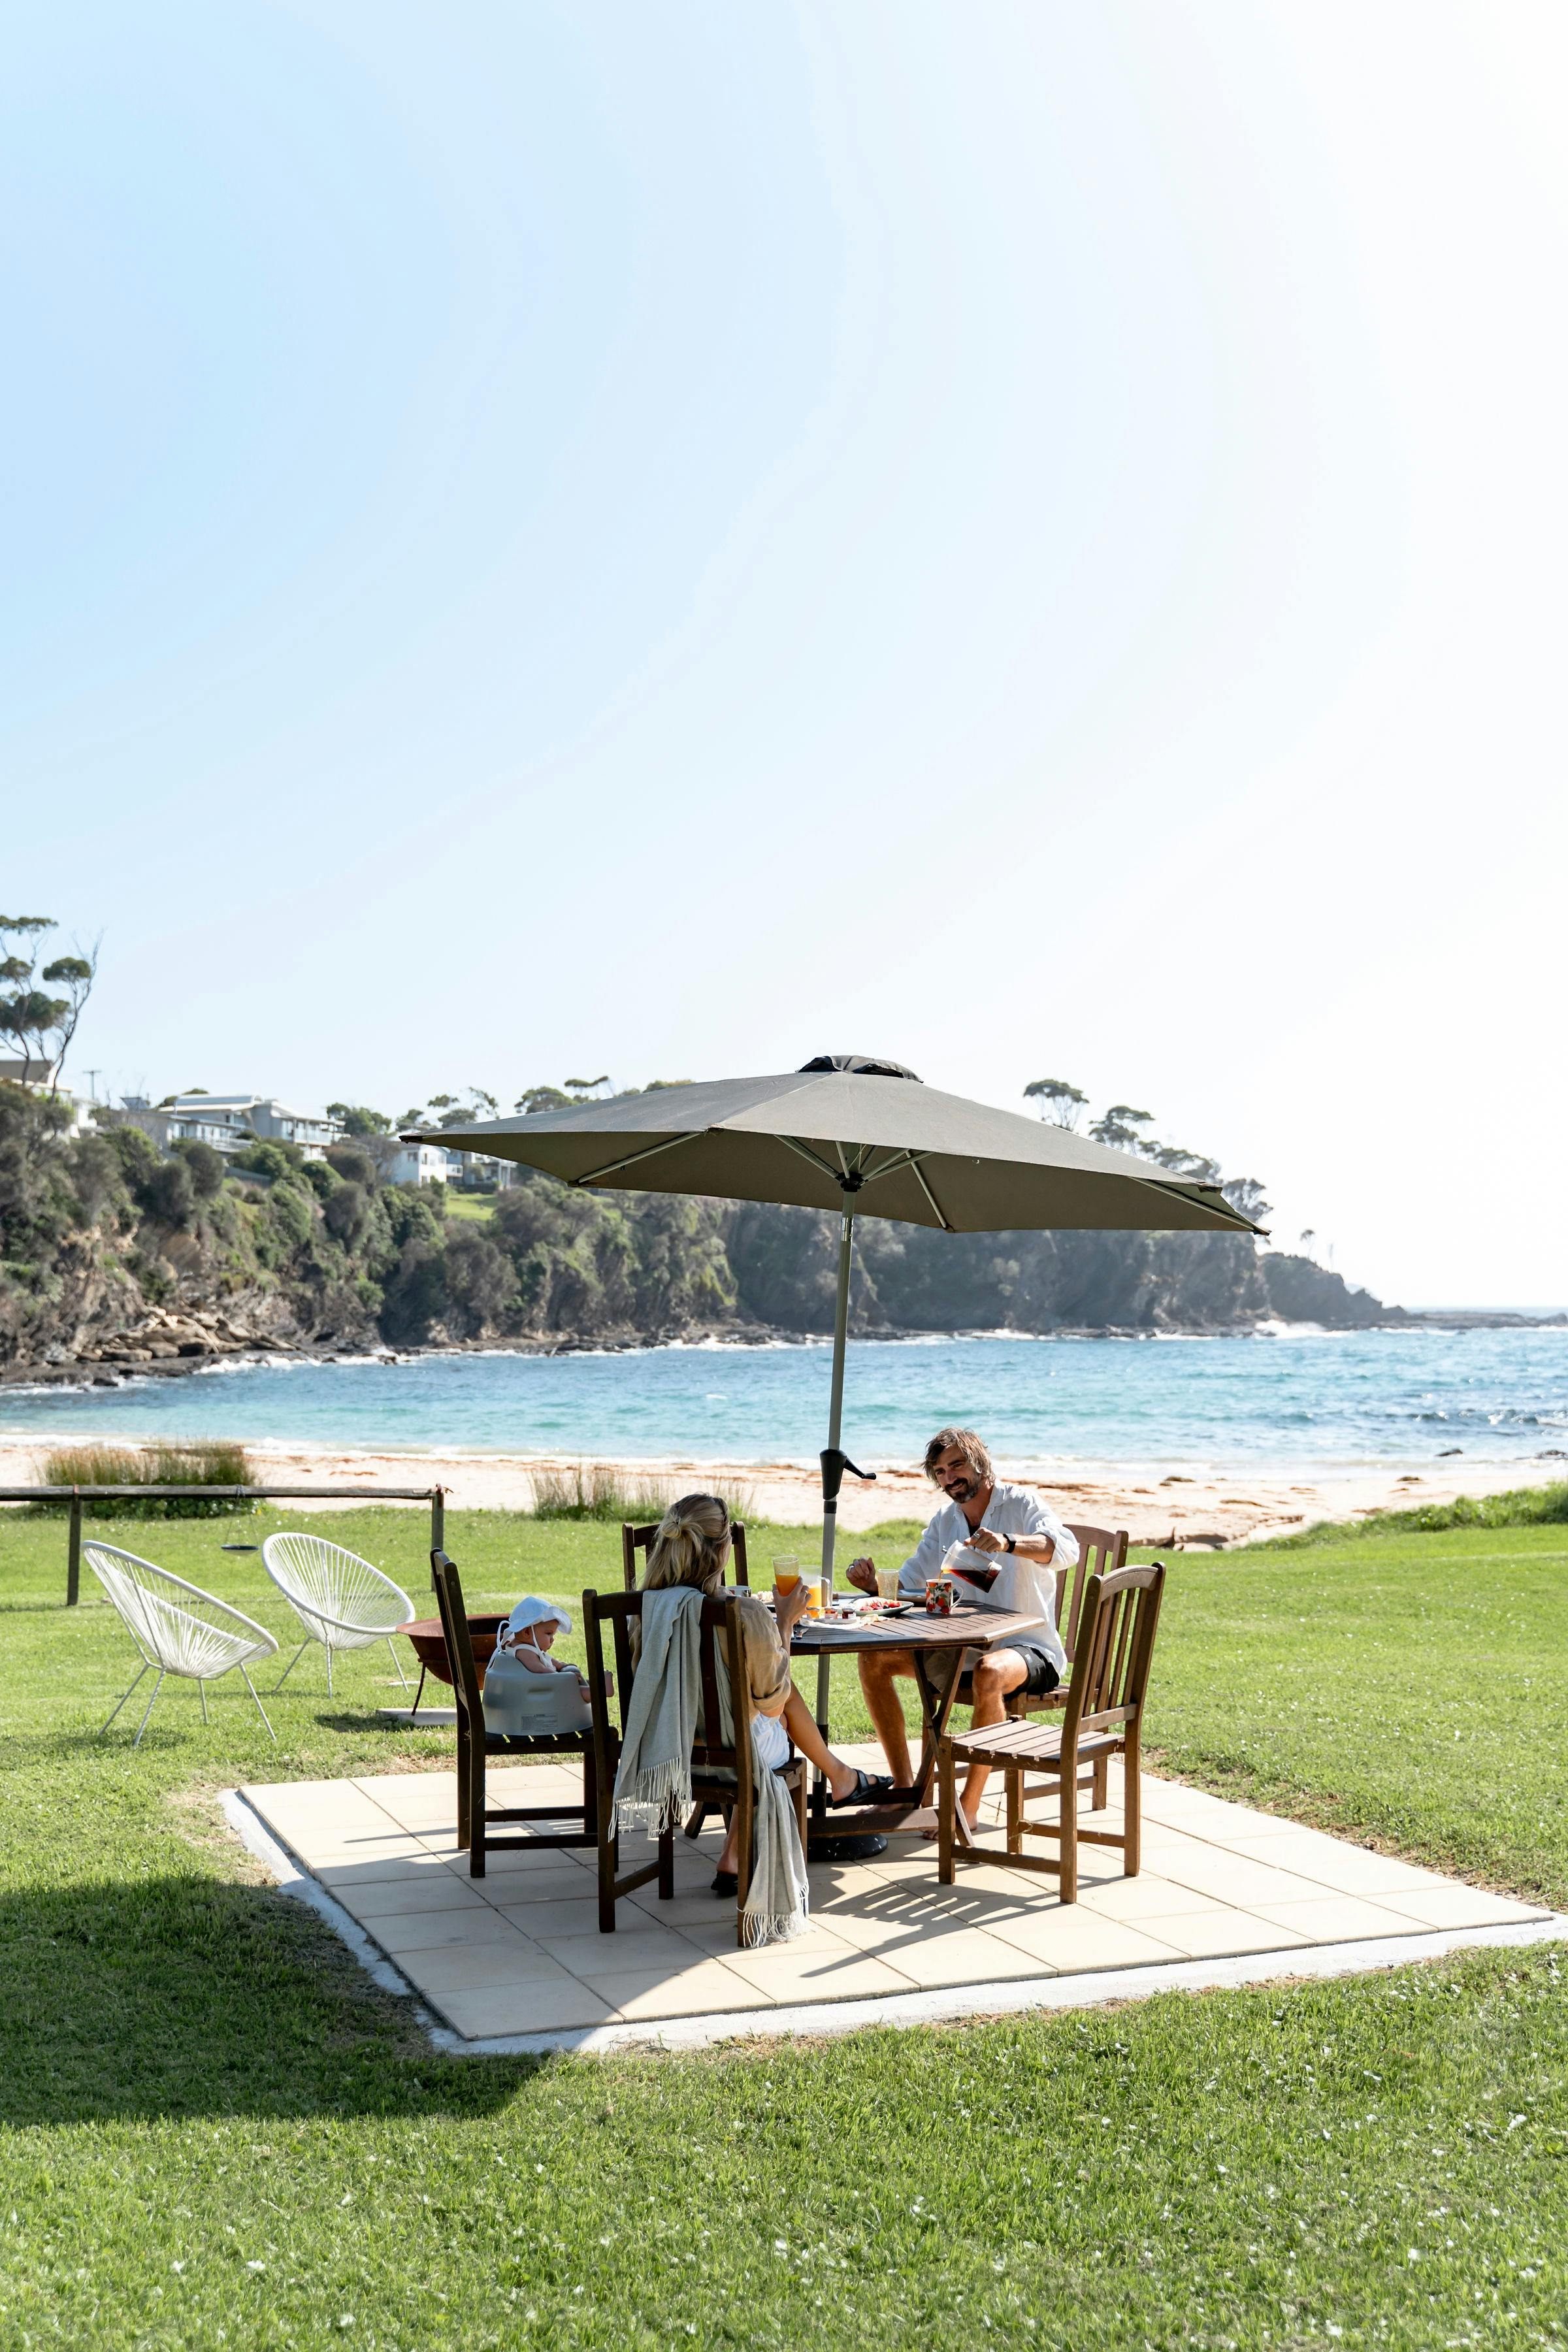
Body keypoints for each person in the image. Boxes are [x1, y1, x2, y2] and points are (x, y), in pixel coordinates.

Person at [638, 1493, 892, 1893]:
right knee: (775, 1712)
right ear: (723, 1549)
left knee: (749, 1722)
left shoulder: (643, 1612)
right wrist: (785, 1625)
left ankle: (736, 1854)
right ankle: (840, 1778)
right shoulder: (745, 1614)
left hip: (667, 1753)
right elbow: (772, 1699)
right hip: (734, 1757)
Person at [846, 1426, 1079, 1832]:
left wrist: (1008, 1542)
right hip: (964, 1648)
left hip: (1029, 1649)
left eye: (957, 1465)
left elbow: (1066, 1550)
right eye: (940, 1471)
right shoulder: (946, 1520)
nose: (950, 1477)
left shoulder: (1021, 1503)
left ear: (980, 1461)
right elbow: (910, 1582)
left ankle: (967, 1808)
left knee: (991, 1671)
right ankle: (904, 1791)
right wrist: (872, 1586)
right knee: (875, 1657)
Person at [495, 1596, 583, 1679]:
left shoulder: (528, 1647)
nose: (552, 1639)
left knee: (589, 1686)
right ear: (527, 1632)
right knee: (587, 1692)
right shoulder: (524, 1651)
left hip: (541, 1690)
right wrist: (563, 1677)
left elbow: (547, 1659)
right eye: (549, 1633)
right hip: (538, 1692)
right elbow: (540, 1670)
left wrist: (561, 1665)